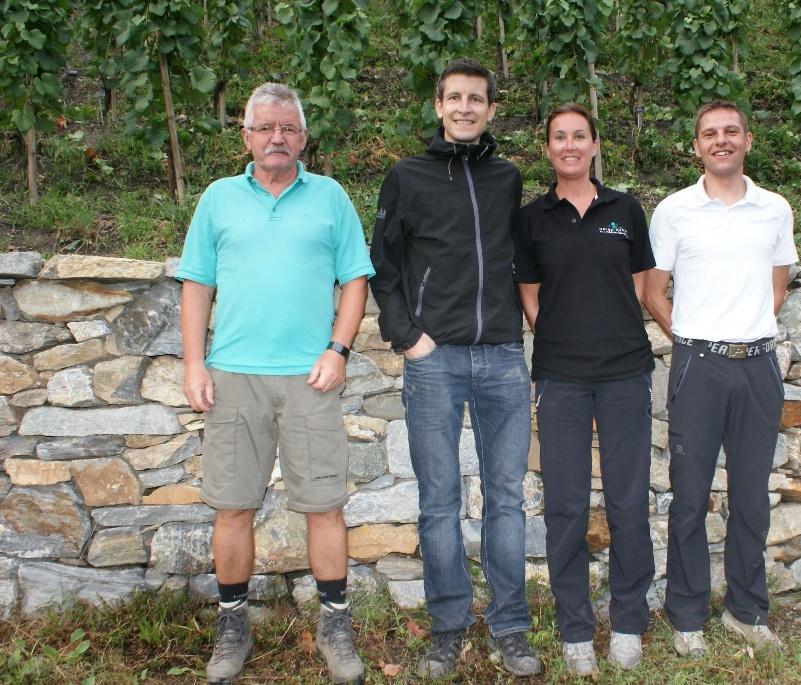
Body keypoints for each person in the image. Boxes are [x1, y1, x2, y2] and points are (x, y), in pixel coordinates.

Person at [177, 82, 373, 685]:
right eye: (265, 127)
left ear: (303, 138)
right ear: (246, 136)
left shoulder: (331, 198)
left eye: (287, 128)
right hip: (233, 376)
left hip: (311, 380)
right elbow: (197, 285)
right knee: (233, 506)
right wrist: (193, 364)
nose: (277, 138)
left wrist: (338, 349)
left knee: (325, 506)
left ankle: (334, 625)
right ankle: (232, 625)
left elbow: (355, 280)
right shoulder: (217, 199)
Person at [368, 58, 541, 679]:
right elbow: (382, 265)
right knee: (439, 502)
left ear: (491, 109)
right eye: (455, 98)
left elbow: (519, 258)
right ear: (439, 106)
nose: (466, 107)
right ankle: (447, 627)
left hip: (502, 356)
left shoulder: (507, 178)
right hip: (434, 360)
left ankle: (510, 626)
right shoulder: (406, 177)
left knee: (506, 499)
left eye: (477, 99)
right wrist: (407, 337)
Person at [644, 100, 797, 657]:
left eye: (731, 131)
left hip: (758, 365)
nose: (721, 140)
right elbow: (652, 291)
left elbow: (777, 285)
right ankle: (687, 616)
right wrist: (692, 337)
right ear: (697, 147)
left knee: (752, 495)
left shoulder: (775, 209)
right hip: (698, 366)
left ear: (748, 140)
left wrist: (746, 330)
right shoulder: (674, 211)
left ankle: (746, 611)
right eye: (710, 133)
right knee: (689, 496)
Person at [514, 103, 656, 676]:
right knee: (566, 507)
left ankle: (628, 623)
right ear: (548, 149)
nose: (569, 145)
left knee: (628, 502)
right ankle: (575, 629)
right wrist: (564, 337)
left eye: (579, 136)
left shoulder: (626, 209)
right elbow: (530, 296)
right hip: (561, 377)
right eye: (559, 137)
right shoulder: (532, 219)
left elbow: (639, 284)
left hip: (625, 373)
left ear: (595, 145)